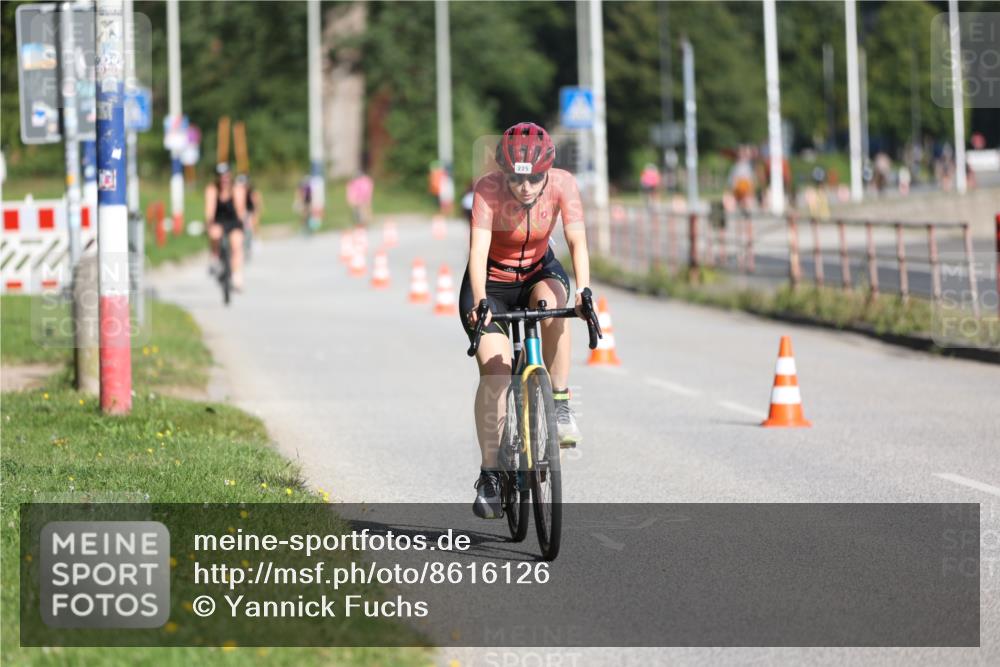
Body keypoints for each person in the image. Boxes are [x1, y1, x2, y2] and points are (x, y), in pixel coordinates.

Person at [460, 122, 592, 519]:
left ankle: (561, 403)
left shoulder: (563, 185)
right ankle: (490, 473)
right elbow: (478, 251)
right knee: (496, 374)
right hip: (492, 284)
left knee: (556, 306)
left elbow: (577, 241)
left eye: (535, 178)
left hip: (538, 272)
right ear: (504, 173)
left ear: (547, 172)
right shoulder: (487, 189)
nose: (527, 187)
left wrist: (585, 292)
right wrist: (481, 301)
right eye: (517, 179)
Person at [205, 163, 247, 289]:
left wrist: (242, 224)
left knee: (236, 244)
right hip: (219, 221)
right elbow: (210, 209)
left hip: (233, 221)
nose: (224, 179)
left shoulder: (237, 189)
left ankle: (236, 275)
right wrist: (209, 223)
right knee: (214, 234)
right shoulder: (212, 189)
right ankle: (215, 257)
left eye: (226, 176)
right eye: (221, 176)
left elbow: (240, 209)